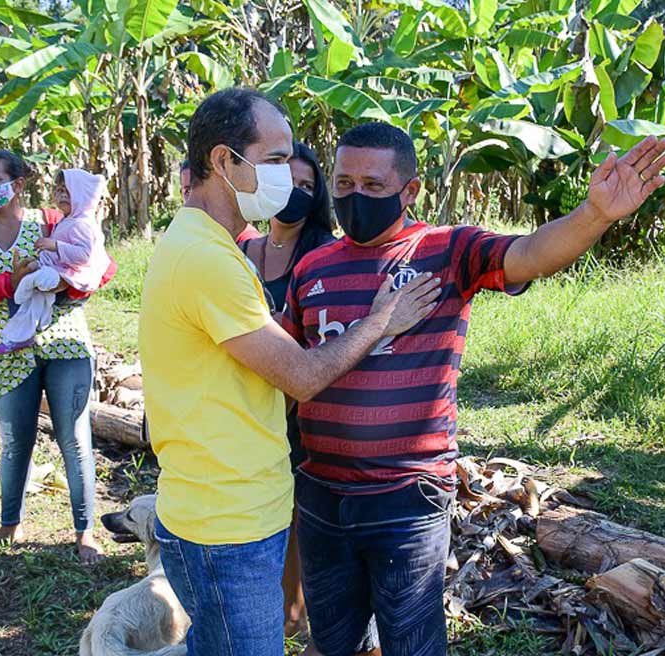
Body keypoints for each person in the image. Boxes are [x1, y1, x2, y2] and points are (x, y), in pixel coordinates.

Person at [281, 121, 665, 656]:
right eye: (344, 184)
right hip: (323, 494)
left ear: (410, 190)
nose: (355, 197)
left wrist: (595, 214)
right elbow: (287, 369)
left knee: (412, 643)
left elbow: (530, 253)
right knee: (333, 640)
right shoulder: (312, 266)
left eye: (373, 186)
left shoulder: (446, 251)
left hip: (405, 497)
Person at [139, 88, 441, 656]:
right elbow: (301, 377)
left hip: (217, 508)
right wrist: (380, 321)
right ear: (226, 161)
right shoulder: (208, 259)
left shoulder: (204, 244)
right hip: (226, 525)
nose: (287, 176)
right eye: (275, 161)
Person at [240, 140, 379, 652]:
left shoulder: (323, 252)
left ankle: (293, 611)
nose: (293, 195)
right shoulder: (244, 250)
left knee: (300, 509)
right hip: (253, 406)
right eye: (285, 182)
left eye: (305, 186)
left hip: (306, 406)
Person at [0, 149, 115, 564]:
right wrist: (9, 283)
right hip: (7, 352)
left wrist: (65, 287)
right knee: (15, 442)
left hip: (66, 343)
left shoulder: (52, 221)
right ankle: (10, 524)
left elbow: (102, 268)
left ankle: (84, 532)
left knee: (75, 440)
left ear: (17, 184)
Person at [0, 169, 111, 354]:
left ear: (84, 194)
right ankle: (18, 337)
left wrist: (55, 245)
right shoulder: (69, 219)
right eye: (58, 190)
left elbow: (84, 256)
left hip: (68, 275)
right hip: (58, 269)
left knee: (39, 282)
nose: (61, 195)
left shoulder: (83, 224)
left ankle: (26, 291)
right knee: (32, 307)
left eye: (68, 190)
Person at [184, 157, 262, 243]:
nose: (192, 197)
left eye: (198, 189)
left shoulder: (247, 239)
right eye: (187, 191)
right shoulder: (184, 234)